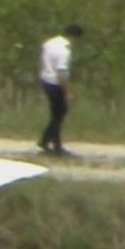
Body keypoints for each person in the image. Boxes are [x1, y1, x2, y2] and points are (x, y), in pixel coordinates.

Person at [38, 24, 83, 156]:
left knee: (56, 114)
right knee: (59, 115)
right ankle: (45, 143)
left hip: (45, 79)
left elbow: (42, 59)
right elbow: (61, 73)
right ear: (74, 37)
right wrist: (67, 92)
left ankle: (54, 145)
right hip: (55, 83)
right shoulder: (65, 51)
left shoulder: (50, 42)